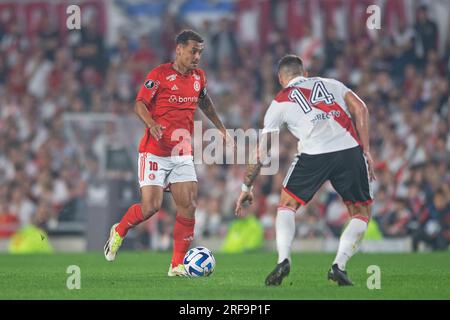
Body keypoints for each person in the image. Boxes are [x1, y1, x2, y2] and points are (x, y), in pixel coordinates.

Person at [235, 54, 376, 286]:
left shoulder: (279, 103)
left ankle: (283, 260)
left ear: (281, 78)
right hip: (349, 149)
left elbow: (261, 153)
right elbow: (360, 109)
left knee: (287, 205)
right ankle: (339, 266)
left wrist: (246, 186)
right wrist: (367, 150)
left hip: (314, 154)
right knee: (360, 213)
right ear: (305, 73)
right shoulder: (331, 84)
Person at [104, 30, 233, 276]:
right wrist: (151, 124)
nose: (197, 56)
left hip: (181, 153)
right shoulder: (159, 74)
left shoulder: (199, 77)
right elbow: (139, 104)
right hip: (153, 152)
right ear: (179, 49)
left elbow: (204, 102)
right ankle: (119, 231)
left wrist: (221, 128)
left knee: (189, 206)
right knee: (150, 207)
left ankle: (176, 265)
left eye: (200, 52)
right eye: (193, 51)